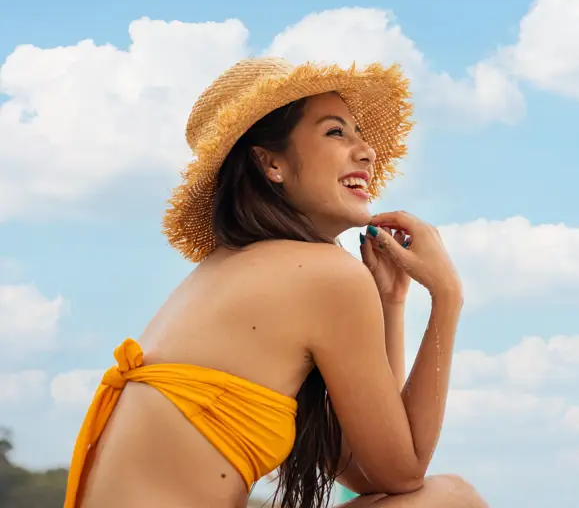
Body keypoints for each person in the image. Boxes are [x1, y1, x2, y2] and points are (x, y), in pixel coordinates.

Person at [63, 57, 488, 508]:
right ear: (271, 164)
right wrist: (447, 296)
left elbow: (367, 471)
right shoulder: (324, 274)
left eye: (359, 133)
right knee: (451, 498)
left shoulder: (229, 272)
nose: (366, 151)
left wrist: (391, 302)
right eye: (335, 132)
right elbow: (401, 473)